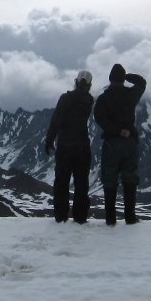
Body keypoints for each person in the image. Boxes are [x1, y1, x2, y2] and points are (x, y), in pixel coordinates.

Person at [93, 63, 147, 225]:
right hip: (130, 142)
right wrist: (127, 76)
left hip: (112, 143)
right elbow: (142, 82)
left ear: (110, 79)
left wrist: (116, 131)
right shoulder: (131, 94)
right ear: (122, 79)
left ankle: (110, 218)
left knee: (110, 179)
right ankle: (130, 216)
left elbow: (99, 118)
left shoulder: (103, 98)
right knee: (130, 178)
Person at [43, 69, 94, 223]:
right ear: (90, 85)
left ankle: (61, 216)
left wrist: (49, 140)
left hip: (65, 145)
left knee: (62, 182)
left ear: (76, 81)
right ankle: (80, 217)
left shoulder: (65, 99)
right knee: (81, 183)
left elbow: (56, 120)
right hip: (83, 146)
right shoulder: (89, 101)